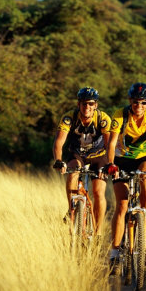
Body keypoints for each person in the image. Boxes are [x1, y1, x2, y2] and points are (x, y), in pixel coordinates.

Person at [103, 82, 146, 268]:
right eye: (136, 102)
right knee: (122, 204)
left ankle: (145, 213)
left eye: (144, 103)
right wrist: (110, 164)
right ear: (130, 101)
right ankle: (115, 252)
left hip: (143, 157)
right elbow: (111, 143)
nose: (139, 106)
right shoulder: (120, 114)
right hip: (121, 159)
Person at [52, 87, 111, 236]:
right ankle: (71, 209)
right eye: (84, 103)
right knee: (72, 172)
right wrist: (58, 160)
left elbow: (109, 144)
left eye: (91, 104)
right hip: (78, 154)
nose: (87, 107)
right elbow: (59, 142)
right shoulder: (69, 118)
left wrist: (110, 163)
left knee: (98, 192)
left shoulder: (103, 118)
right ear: (78, 104)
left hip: (99, 155)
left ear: (95, 105)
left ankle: (97, 232)